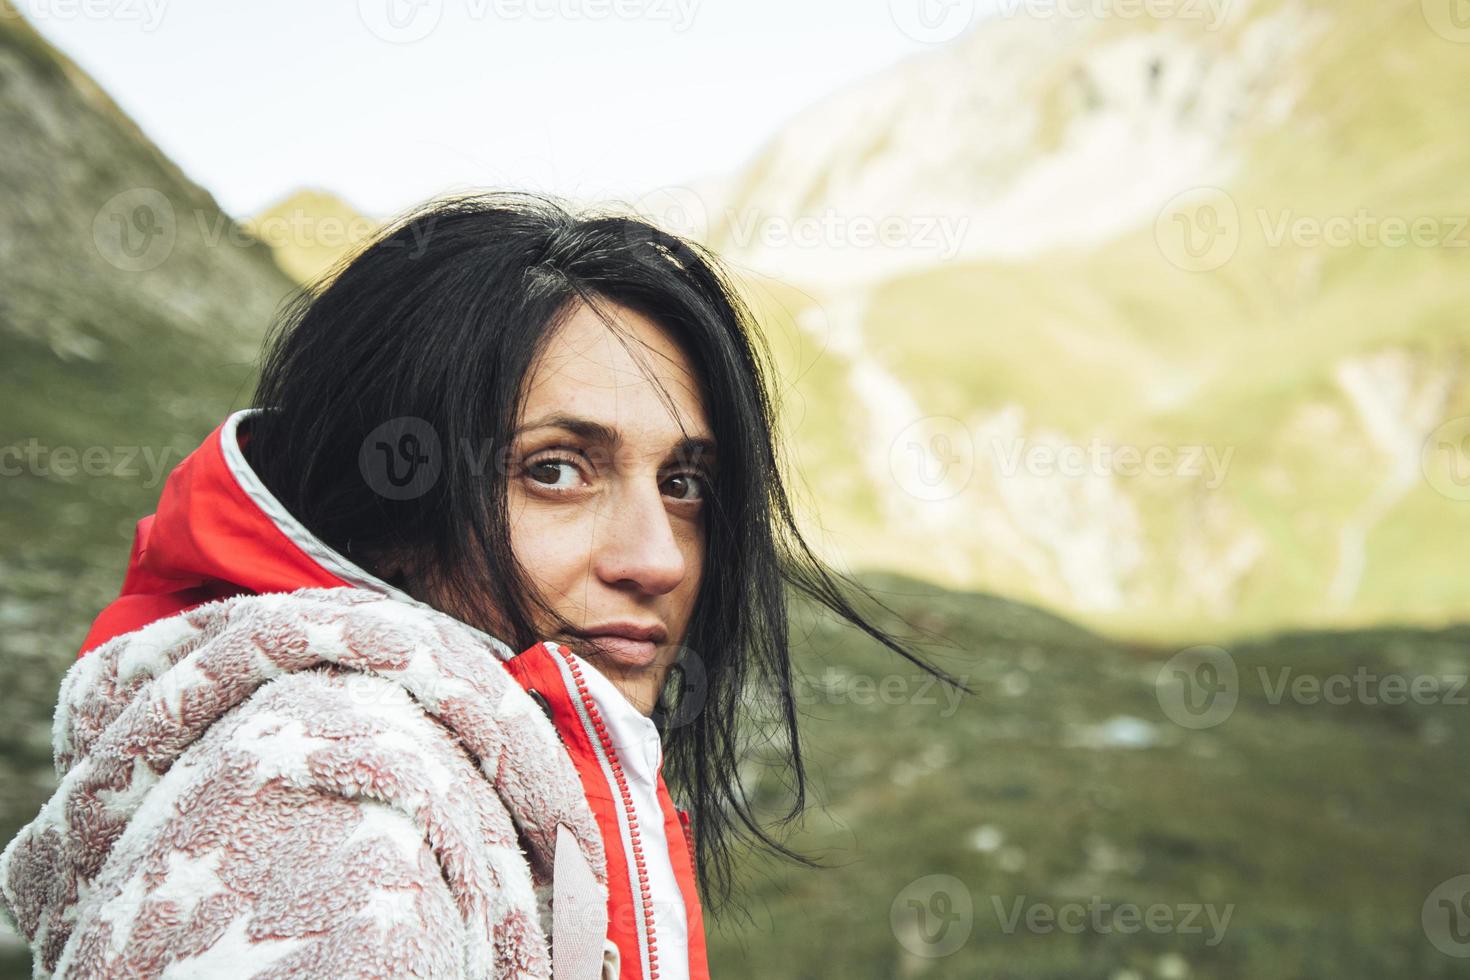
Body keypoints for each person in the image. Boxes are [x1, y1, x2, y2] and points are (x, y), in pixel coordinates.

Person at [0, 191, 963, 978]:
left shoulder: (448, 775)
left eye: (685, 484)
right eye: (556, 469)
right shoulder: (343, 799)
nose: (659, 558)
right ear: (397, 508)